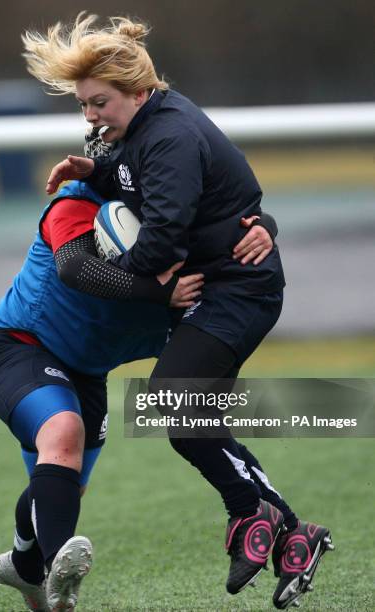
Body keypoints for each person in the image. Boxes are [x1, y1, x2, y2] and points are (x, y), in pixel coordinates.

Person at [24, 13, 334, 609]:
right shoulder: (150, 127)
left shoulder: (169, 134)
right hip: (227, 286)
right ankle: (295, 533)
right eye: (84, 105)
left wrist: (136, 275)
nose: (89, 117)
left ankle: (251, 513)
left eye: (99, 103)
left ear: (138, 92)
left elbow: (162, 237)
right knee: (194, 417)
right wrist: (94, 169)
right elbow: (155, 180)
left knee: (172, 403)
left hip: (238, 293)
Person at [0, 162, 273, 611]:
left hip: (88, 372)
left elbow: (238, 231)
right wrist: (156, 292)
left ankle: (25, 563)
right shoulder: (79, 201)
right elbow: (75, 267)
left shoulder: (188, 239)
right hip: (18, 346)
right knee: (63, 433)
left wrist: (265, 228)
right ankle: (58, 568)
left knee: (62, 484)